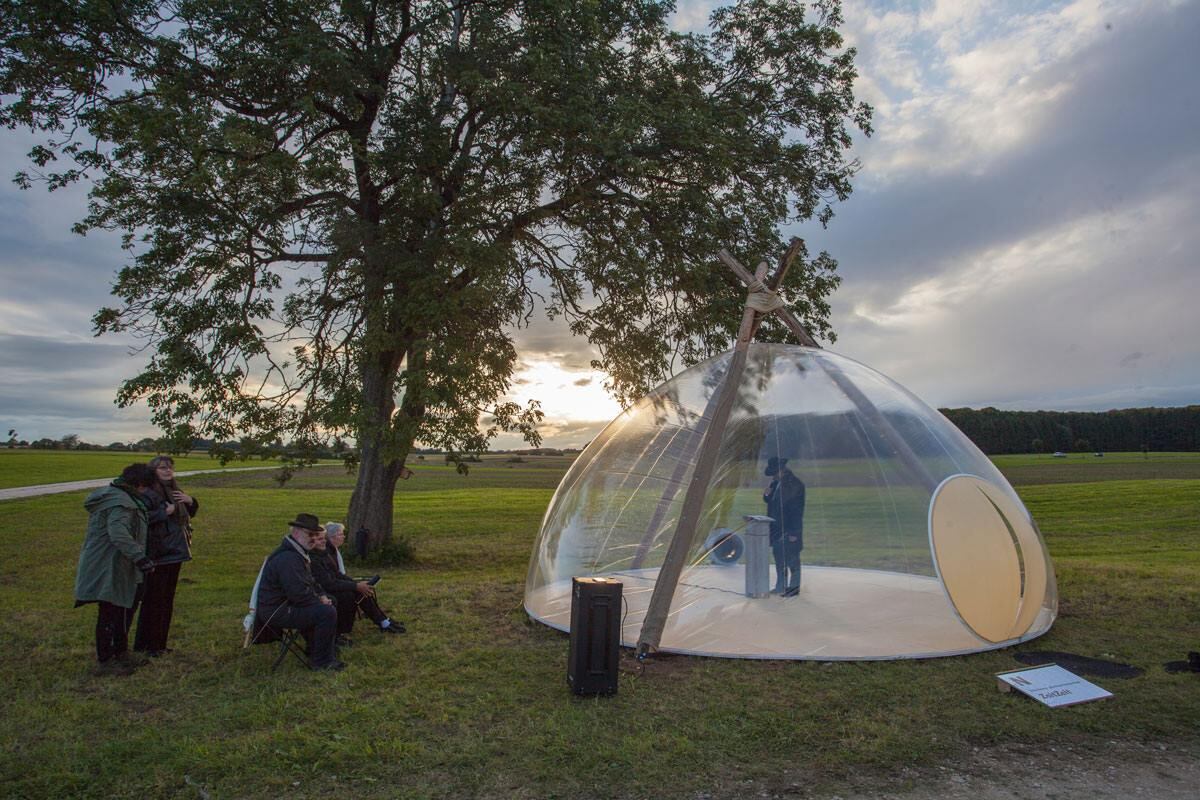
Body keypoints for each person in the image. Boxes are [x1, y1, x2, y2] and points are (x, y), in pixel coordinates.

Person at [74, 463, 158, 675]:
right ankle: (106, 660)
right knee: (109, 612)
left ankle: (121, 653)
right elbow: (118, 533)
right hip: (108, 564)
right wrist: (140, 558)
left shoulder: (120, 496)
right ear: (138, 484)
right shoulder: (121, 503)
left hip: (118, 563)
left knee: (121, 609)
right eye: (146, 486)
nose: (146, 491)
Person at [255, 513, 344, 671]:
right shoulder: (289, 558)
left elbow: (311, 582)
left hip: (286, 604)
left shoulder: (298, 553)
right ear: (296, 533)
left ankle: (318, 648)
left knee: (330, 601)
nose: (313, 539)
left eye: (316, 535)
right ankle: (322, 662)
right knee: (326, 612)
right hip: (276, 611)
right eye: (310, 534)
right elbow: (298, 593)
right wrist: (319, 601)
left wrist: (322, 595)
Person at [133, 455, 199, 656]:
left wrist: (190, 501)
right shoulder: (148, 493)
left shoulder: (173, 490)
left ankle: (159, 644)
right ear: (154, 471)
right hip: (159, 553)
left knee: (166, 601)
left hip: (175, 552)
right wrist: (165, 512)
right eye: (162, 468)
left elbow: (188, 514)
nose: (167, 471)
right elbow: (140, 518)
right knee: (154, 601)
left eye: (170, 468)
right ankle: (147, 645)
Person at [310, 522, 405, 643]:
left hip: (331, 586)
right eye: (320, 539)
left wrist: (356, 584)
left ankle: (383, 622)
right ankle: (338, 633)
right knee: (351, 594)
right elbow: (328, 583)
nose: (324, 541)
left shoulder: (324, 553)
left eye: (323, 538)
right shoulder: (315, 558)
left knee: (361, 590)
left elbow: (337, 574)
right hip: (322, 591)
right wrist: (355, 586)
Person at [763, 456, 805, 597]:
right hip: (777, 528)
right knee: (779, 558)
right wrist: (767, 495)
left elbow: (796, 511)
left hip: (789, 529)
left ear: (782, 470)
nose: (773, 476)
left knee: (792, 559)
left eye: (775, 473)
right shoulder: (777, 483)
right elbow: (773, 502)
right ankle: (780, 586)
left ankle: (793, 588)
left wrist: (794, 532)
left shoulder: (794, 485)